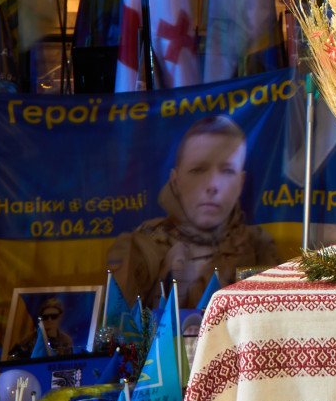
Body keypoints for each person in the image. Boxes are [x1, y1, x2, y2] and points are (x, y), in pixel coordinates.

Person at [106, 115, 279, 310]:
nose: (213, 185)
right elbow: (116, 329)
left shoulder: (258, 247)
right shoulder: (140, 247)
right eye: (198, 170)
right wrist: (166, 281)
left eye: (227, 171)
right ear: (175, 180)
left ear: (240, 183)